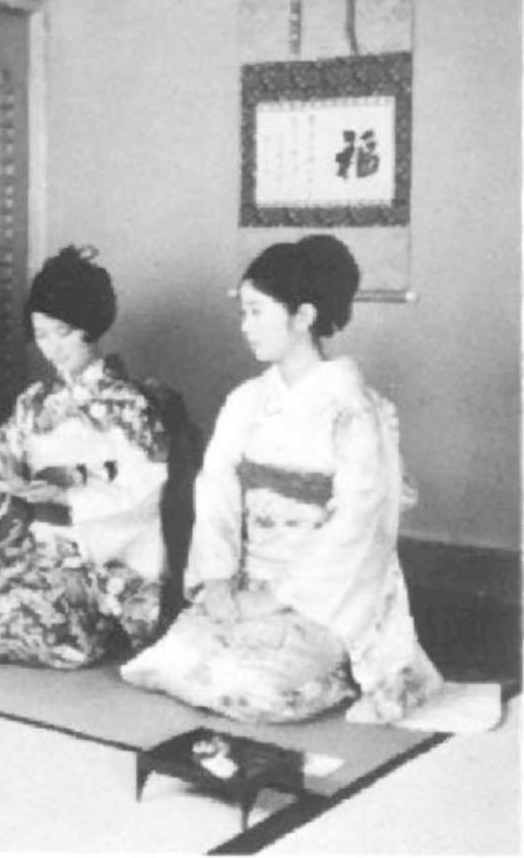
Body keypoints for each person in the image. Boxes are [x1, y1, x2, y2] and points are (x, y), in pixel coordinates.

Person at [120, 235, 442, 724]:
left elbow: (355, 523)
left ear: (304, 316)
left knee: (253, 690)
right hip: (249, 579)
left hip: (324, 595)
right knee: (162, 665)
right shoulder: (245, 402)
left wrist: (276, 598)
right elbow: (217, 496)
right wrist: (220, 580)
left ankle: (338, 669)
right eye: (242, 312)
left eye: (255, 312)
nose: (244, 327)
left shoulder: (354, 409)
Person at [0, 245, 169, 668]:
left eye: (62, 333)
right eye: (41, 336)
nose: (52, 348)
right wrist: (5, 481)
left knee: (15, 624)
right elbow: (2, 455)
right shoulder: (35, 402)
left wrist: (67, 499)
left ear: (90, 327)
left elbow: (145, 492)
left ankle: (88, 624)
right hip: (41, 551)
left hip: (93, 559)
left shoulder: (128, 406)